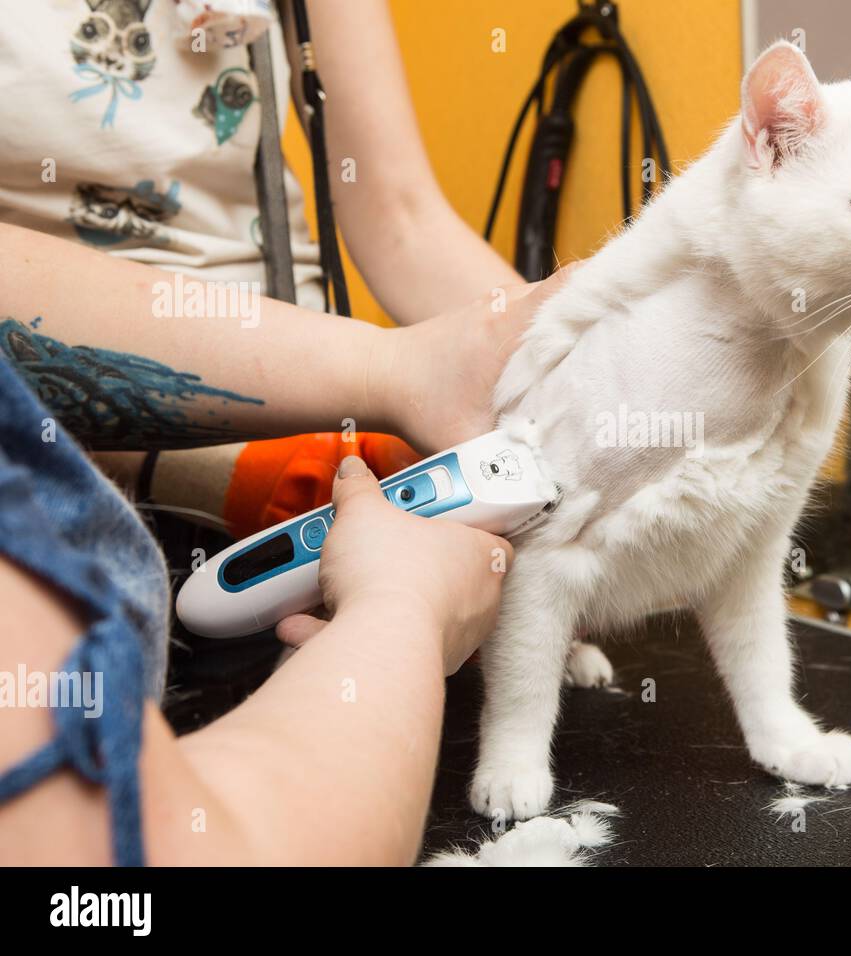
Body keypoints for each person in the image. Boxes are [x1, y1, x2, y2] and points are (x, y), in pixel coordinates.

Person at [0, 0, 560, 865]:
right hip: (89, 466)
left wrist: (532, 353)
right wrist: (396, 597)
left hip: (335, 399)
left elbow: (402, 214)